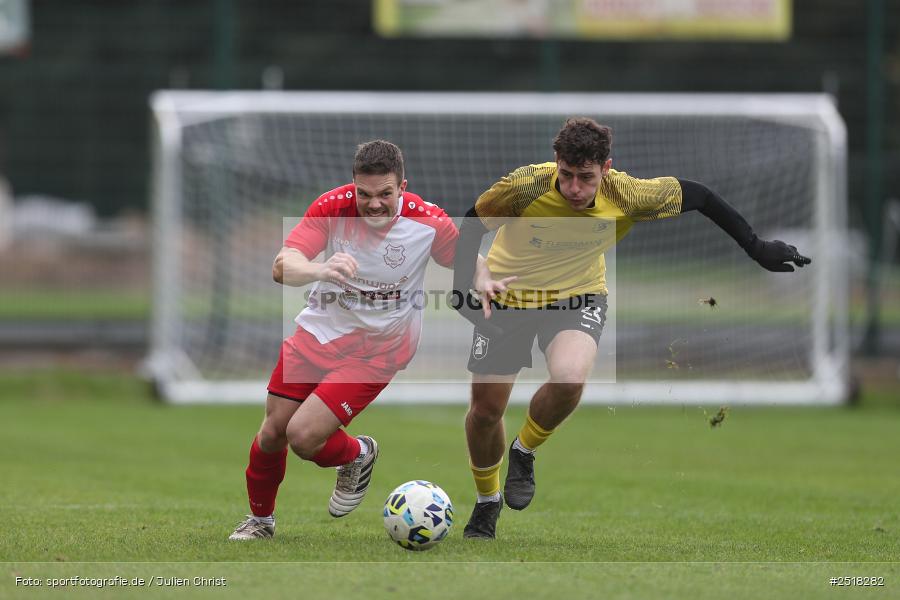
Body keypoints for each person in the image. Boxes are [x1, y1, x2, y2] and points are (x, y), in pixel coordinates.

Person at [452, 117, 811, 539]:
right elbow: (471, 224)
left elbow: (701, 196)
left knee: (569, 378)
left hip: (578, 296)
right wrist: (466, 288)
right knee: (485, 413)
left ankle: (524, 450)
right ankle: (487, 502)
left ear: (606, 169)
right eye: (566, 175)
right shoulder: (525, 186)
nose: (574, 188)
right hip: (508, 296)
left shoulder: (628, 193)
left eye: (586, 178)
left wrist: (757, 247)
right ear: (556, 162)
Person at [229, 140, 461, 540]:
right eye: (364, 194)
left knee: (303, 437)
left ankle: (356, 454)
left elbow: (468, 260)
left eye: (385, 194)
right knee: (272, 433)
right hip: (319, 333)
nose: (374, 204)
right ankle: (261, 522)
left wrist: (491, 281)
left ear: (402, 187)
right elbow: (282, 265)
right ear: (353, 185)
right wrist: (319, 270)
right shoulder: (332, 207)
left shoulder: (428, 222)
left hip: (379, 350)